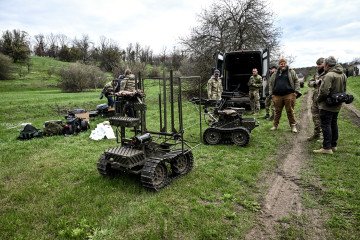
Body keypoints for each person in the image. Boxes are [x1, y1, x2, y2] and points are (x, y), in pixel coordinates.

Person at [313, 56, 347, 154]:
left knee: (326, 125)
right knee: (333, 124)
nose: (323, 67)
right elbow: (344, 90)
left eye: (324, 65)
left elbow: (324, 91)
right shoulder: (343, 74)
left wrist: (318, 100)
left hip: (327, 105)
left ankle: (327, 148)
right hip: (337, 103)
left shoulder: (329, 75)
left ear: (327, 65)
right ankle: (333, 145)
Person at [269, 58, 301, 133]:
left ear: (286, 63)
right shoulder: (275, 73)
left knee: (290, 111)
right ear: (279, 64)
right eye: (281, 63)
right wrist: (272, 95)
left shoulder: (291, 71)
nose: (282, 64)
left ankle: (293, 126)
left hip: (289, 94)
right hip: (277, 95)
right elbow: (270, 84)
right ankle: (275, 125)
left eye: (284, 63)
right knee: (277, 111)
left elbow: (296, 81)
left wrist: (296, 92)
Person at [307, 57, 326, 141]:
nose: (318, 66)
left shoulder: (328, 73)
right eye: (317, 65)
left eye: (320, 64)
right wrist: (315, 83)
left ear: (324, 64)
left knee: (324, 118)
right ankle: (316, 134)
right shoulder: (317, 74)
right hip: (315, 99)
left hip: (324, 99)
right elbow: (309, 83)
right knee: (315, 117)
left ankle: (324, 137)